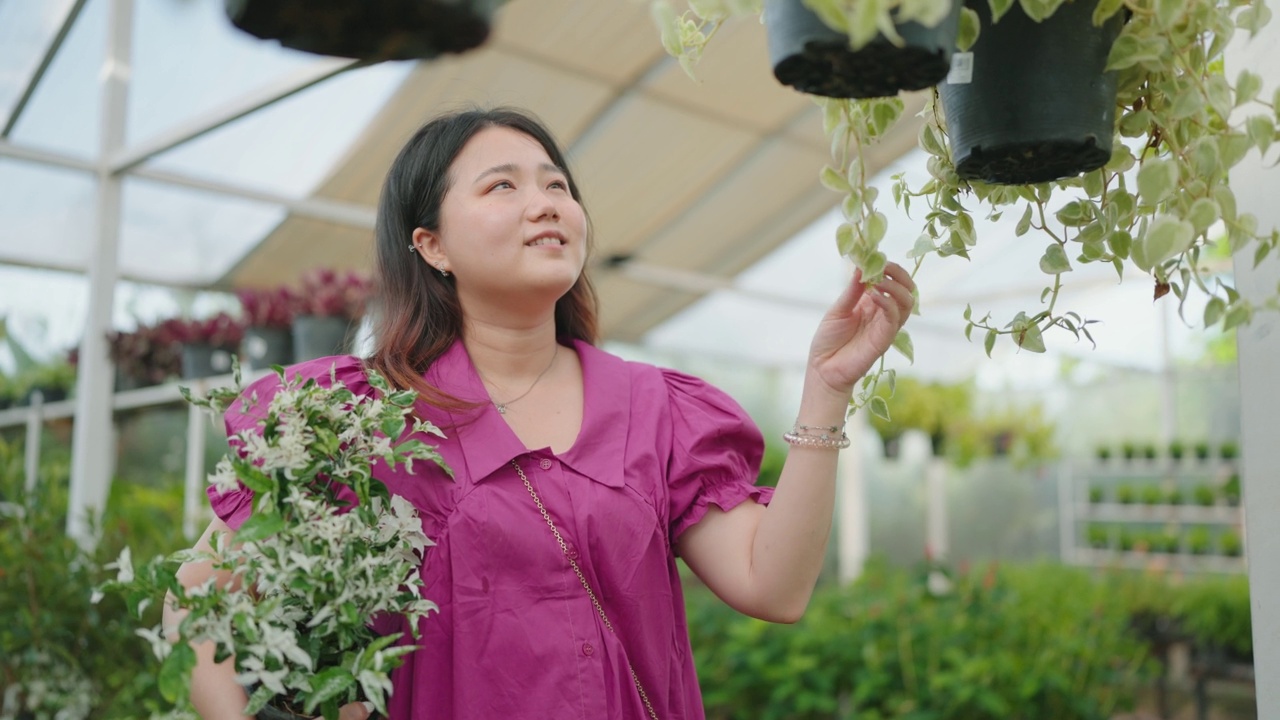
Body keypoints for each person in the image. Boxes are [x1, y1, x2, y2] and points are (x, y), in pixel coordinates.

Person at [167, 107, 915, 719]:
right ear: (431, 245)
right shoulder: (353, 419)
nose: (546, 203)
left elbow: (772, 585)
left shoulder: (658, 410)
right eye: (502, 187)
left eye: (557, 185)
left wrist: (826, 389)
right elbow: (194, 605)